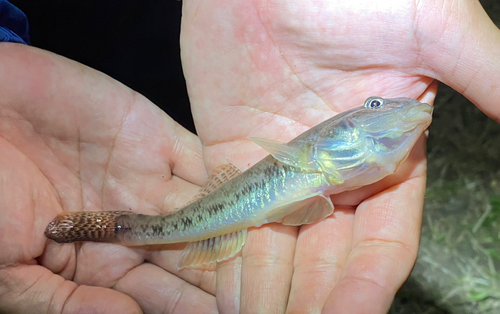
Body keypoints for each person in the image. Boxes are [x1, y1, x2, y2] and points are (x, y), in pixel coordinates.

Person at [0, 0, 498, 313]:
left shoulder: (325, 164)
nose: (382, 111)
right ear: (325, 140)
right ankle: (123, 226)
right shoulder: (308, 160)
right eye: (372, 106)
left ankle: (127, 226)